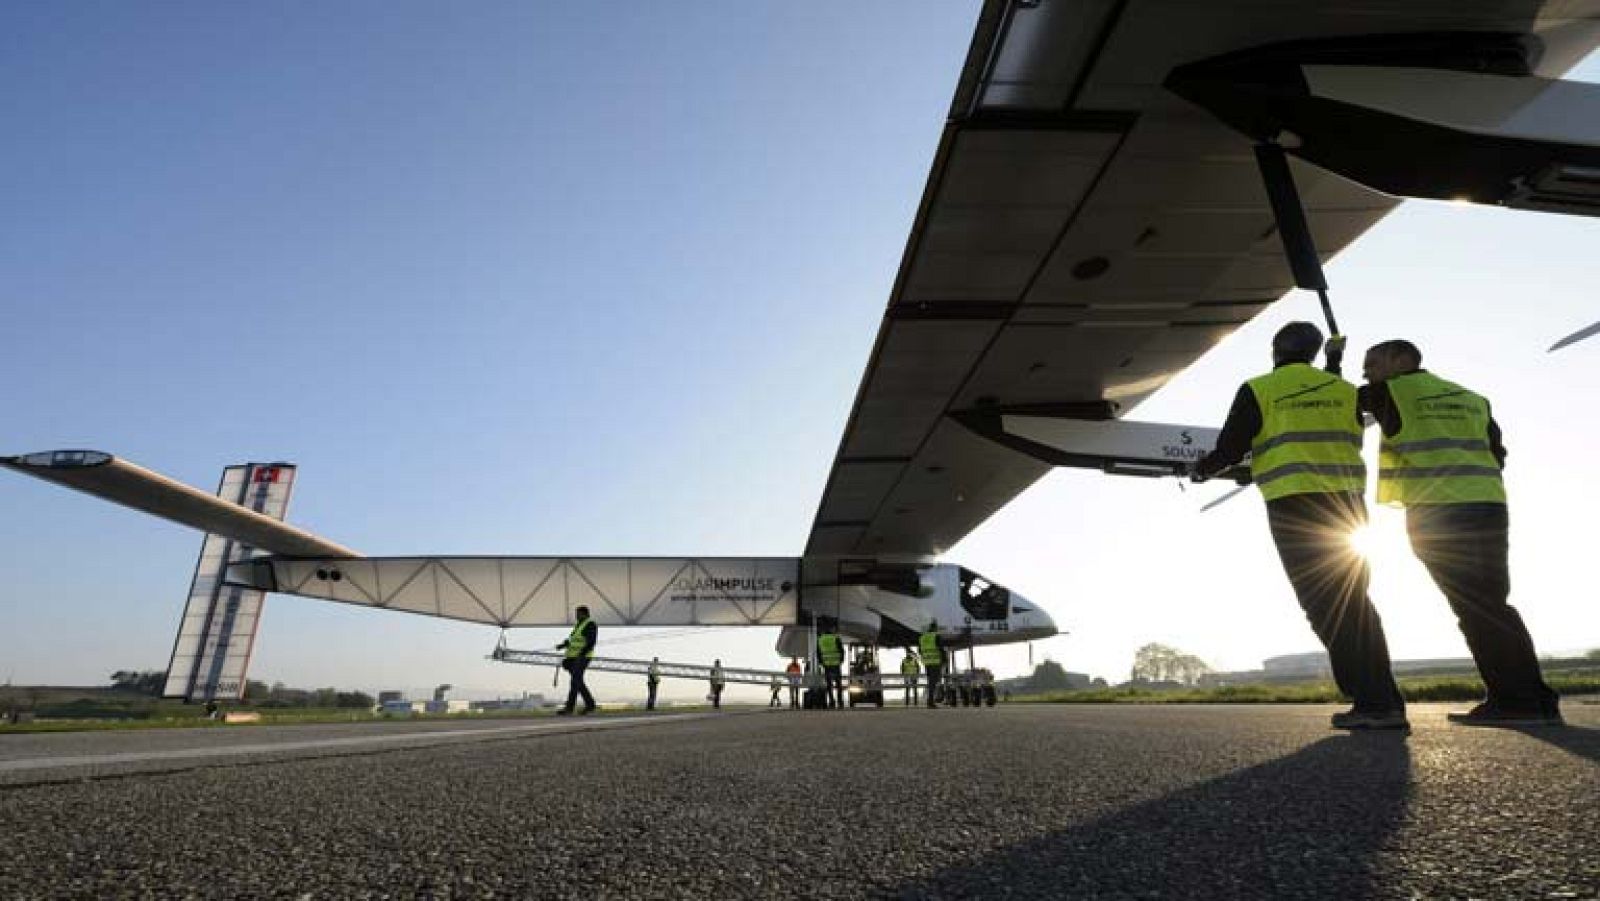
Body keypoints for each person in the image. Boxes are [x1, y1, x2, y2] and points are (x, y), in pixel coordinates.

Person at [1192, 321, 1407, 730]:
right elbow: (1324, 400)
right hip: (1347, 508)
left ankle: (1373, 702)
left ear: (1275, 350)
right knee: (1356, 602)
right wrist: (1334, 362)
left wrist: (1201, 470)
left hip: (1295, 508)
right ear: (1312, 352)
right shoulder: (1345, 391)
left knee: (1326, 606)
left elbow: (1231, 447)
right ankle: (1383, 699)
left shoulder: (1258, 389)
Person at [1361, 339, 1561, 726]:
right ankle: (1536, 699)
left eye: (1373, 362)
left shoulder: (1391, 391)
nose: (1366, 371)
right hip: (1488, 506)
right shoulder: (1472, 398)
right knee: (1493, 603)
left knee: (1475, 607)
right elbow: (1497, 453)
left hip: (1439, 513)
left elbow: (1343, 405)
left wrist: (1331, 363)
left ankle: (1517, 702)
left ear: (1402, 360)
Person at [555, 605, 597, 715]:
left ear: (584, 613)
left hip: (583, 657)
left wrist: (581, 655)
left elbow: (591, 642)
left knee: (575, 681)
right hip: (574, 658)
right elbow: (572, 640)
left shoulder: (590, 624)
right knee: (577, 682)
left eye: (578, 613)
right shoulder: (578, 626)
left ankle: (570, 708)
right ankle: (590, 705)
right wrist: (562, 645)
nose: (576, 616)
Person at [817, 621, 846, 709]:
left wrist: (821, 662)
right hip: (836, 664)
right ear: (831, 630)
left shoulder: (820, 639)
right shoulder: (835, 638)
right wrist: (841, 660)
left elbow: (818, 653)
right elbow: (841, 651)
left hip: (826, 665)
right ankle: (840, 703)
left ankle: (831, 702)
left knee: (829, 685)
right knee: (838, 685)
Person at [919, 621, 945, 709]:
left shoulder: (922, 637)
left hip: (927, 662)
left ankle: (930, 701)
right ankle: (930, 702)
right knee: (933, 683)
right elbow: (941, 649)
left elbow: (919, 650)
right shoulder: (935, 636)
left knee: (930, 682)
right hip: (935, 662)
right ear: (935, 628)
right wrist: (944, 659)